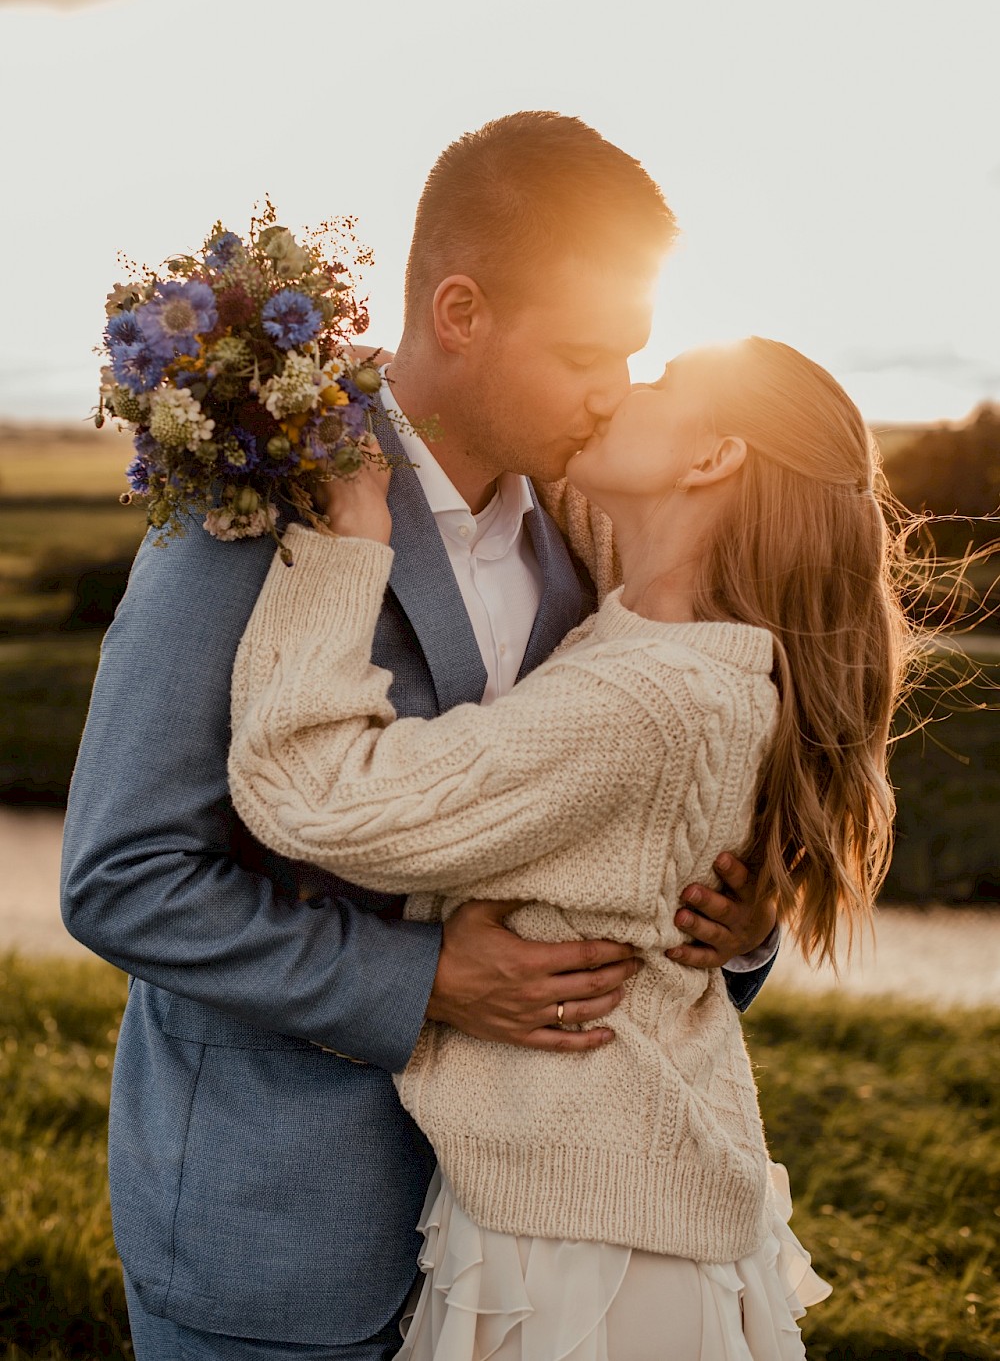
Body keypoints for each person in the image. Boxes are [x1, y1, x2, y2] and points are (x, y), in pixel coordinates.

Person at [60, 112, 780, 1361]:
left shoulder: (589, 524)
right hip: (277, 1238)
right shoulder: (256, 513)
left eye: (633, 354)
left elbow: (601, 828)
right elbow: (120, 876)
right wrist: (422, 981)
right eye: (581, 352)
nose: (614, 389)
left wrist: (738, 927)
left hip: (521, 1245)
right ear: (459, 310)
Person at [228, 335, 909, 1359]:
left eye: (658, 381)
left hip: (588, 1265)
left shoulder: (647, 698)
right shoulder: (683, 625)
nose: (616, 392)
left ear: (714, 456)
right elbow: (582, 476)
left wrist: (347, 539)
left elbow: (311, 794)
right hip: (606, 1206)